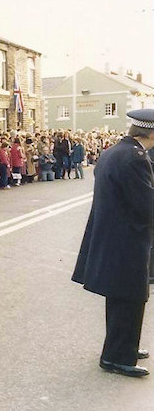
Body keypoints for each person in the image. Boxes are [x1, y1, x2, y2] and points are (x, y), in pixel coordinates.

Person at [72, 108, 154, 377]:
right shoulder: (135, 158)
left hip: (114, 237)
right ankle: (116, 357)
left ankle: (123, 346)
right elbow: (146, 204)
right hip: (127, 239)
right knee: (130, 297)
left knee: (120, 298)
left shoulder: (115, 152)